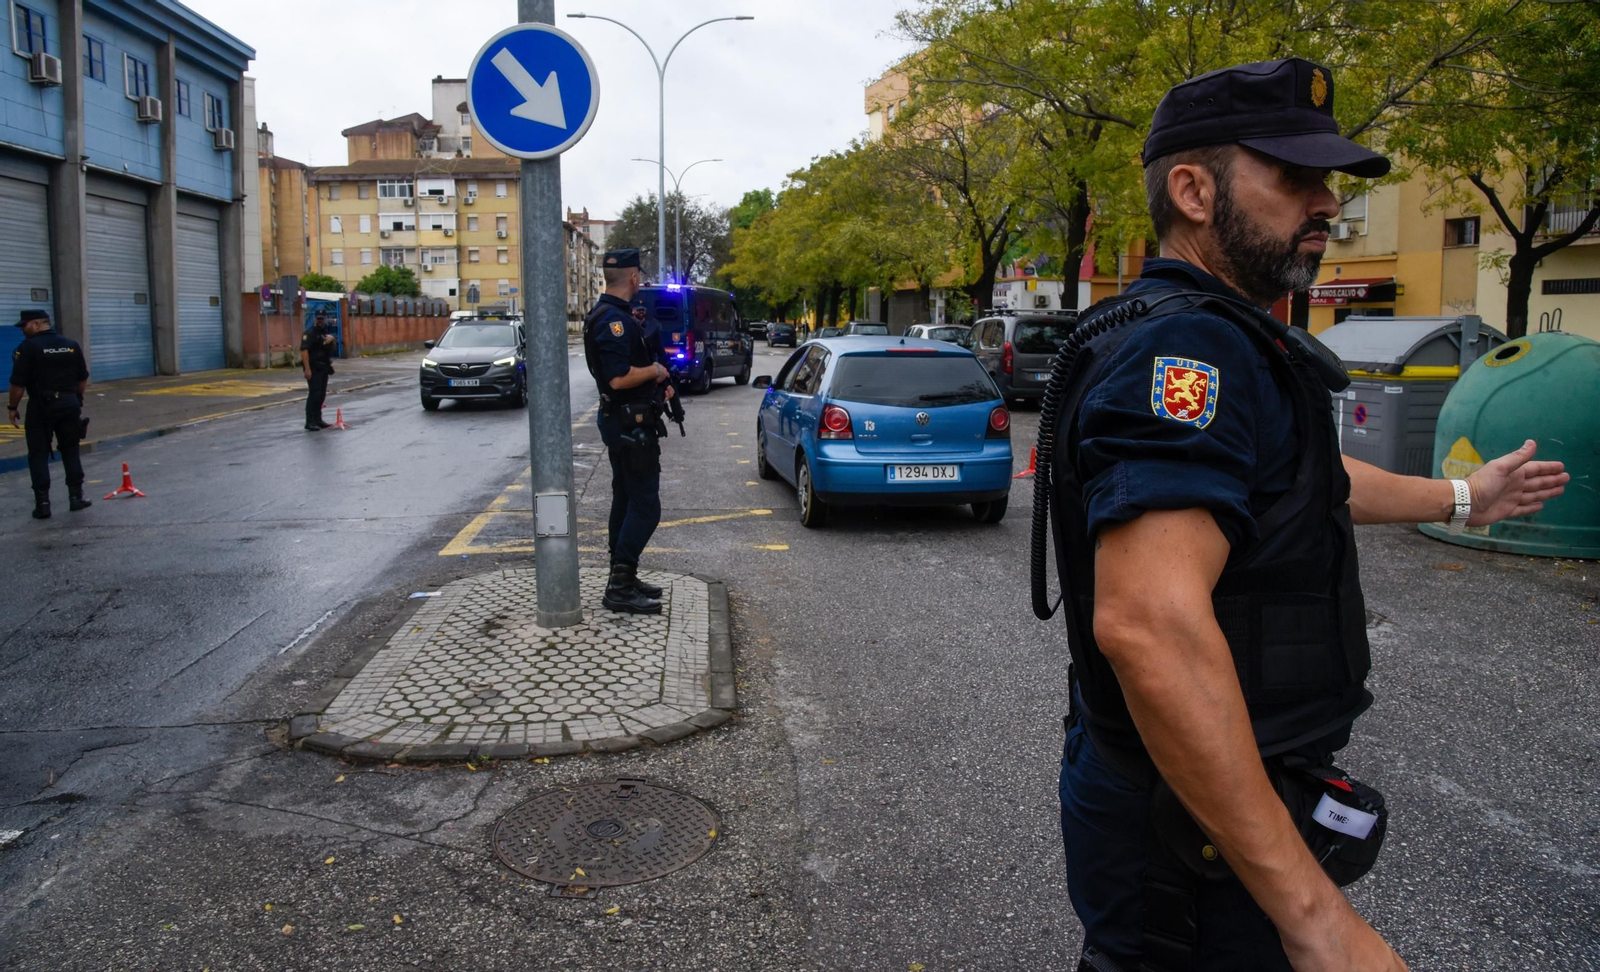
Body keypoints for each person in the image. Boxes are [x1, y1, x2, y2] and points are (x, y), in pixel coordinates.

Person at [1038, 58, 1570, 972]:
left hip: (1195, 793)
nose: (1325, 202)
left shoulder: (1213, 329)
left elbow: (1306, 479)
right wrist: (1315, 916)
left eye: (1328, 180)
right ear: (1194, 190)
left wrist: (1461, 497)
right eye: (1293, 177)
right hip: (1185, 821)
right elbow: (1150, 624)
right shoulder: (1190, 347)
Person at [583, 249, 674, 614]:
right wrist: (655, 371)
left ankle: (622, 575)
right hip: (628, 426)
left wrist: (656, 388)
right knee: (646, 506)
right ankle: (619, 586)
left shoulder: (608, 314)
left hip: (624, 422)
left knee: (625, 498)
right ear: (634, 278)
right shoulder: (614, 321)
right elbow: (619, 378)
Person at [8, 310, 91, 519]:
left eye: (24, 325)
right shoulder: (71, 344)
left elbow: (17, 384)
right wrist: (77, 399)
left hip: (41, 406)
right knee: (71, 450)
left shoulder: (28, 348)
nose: (22, 330)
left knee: (38, 454)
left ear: (36, 324)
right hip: (69, 403)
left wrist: (12, 407)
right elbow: (82, 378)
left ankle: (43, 504)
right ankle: (76, 498)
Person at [300, 312, 336, 431]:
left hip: (323, 368)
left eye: (322, 318)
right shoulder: (309, 333)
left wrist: (333, 339)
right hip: (313, 368)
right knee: (314, 394)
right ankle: (309, 421)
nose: (320, 320)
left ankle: (318, 419)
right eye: (318, 318)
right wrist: (307, 369)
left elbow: (331, 348)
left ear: (325, 318)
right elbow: (304, 351)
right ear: (315, 319)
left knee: (321, 395)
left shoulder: (324, 333)